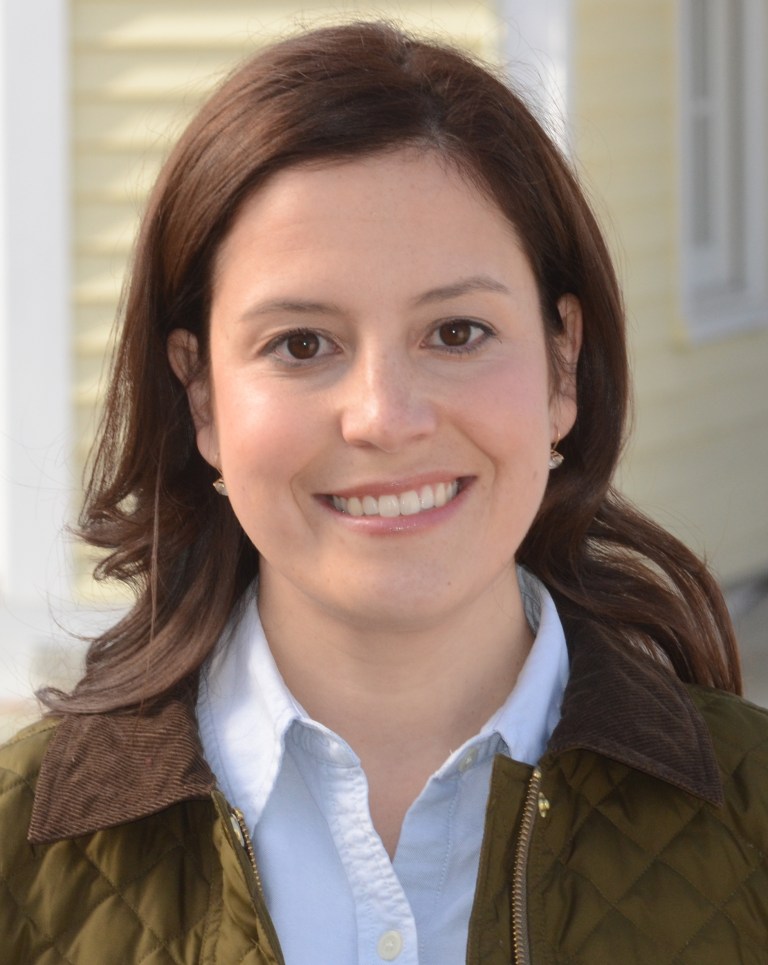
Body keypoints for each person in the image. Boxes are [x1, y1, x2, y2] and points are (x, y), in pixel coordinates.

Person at [1, 20, 766, 965]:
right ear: (200, 392)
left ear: (562, 363)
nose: (384, 417)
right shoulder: (17, 862)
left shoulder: (752, 819)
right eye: (301, 344)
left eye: (456, 332)